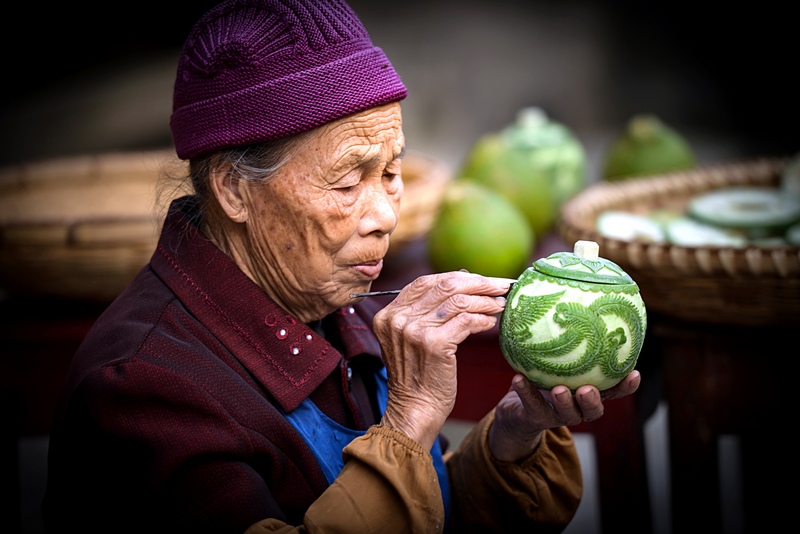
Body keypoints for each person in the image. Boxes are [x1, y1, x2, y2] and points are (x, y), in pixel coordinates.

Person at [42, 1, 641, 532]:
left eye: (391, 172)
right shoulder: (142, 392)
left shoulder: (332, 301)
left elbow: (428, 510)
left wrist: (513, 436)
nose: (385, 214)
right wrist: (407, 423)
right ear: (233, 189)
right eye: (349, 179)